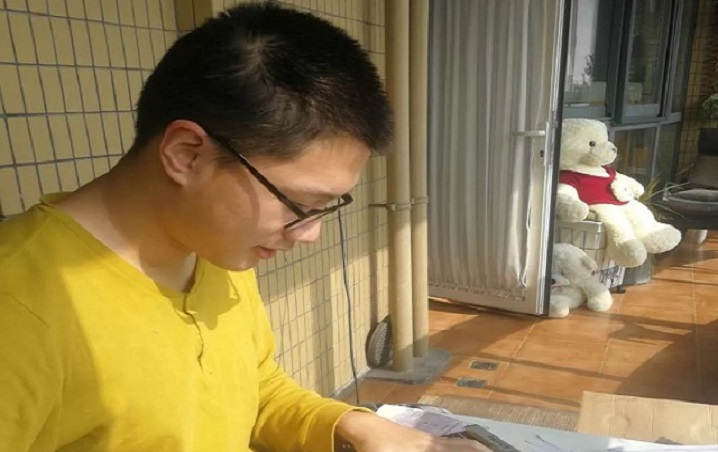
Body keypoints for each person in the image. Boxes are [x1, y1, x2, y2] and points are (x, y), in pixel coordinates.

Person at [0, 3, 488, 451]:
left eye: (325, 207)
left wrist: (355, 427)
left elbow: (253, 388)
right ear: (186, 154)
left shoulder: (214, 249)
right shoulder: (22, 307)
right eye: (298, 203)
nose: (308, 234)